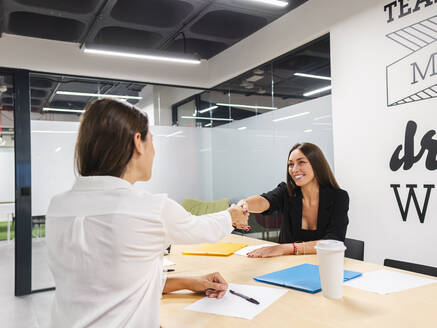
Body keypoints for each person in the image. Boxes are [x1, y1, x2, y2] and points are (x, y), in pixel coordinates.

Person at [46, 98, 249, 328]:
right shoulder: (150, 209)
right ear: (138, 142)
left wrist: (190, 282)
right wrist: (231, 215)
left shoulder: (57, 206)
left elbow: (110, 281)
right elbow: (202, 229)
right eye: (152, 139)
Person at [238, 142, 349, 258]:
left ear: (317, 165)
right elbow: (264, 201)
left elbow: (333, 241)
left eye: (301, 162)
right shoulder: (287, 192)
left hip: (322, 265)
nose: (294, 169)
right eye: (290, 164)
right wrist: (243, 205)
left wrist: (284, 248)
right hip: (287, 265)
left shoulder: (338, 197)